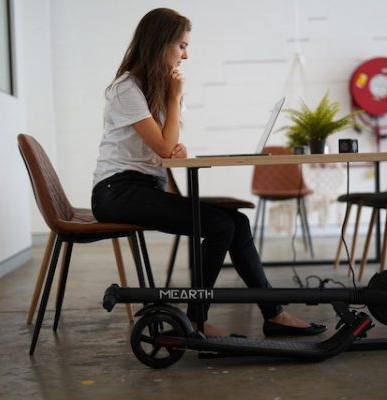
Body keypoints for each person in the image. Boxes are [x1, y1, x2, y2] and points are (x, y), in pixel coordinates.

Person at [91, 8, 325, 338]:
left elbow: (166, 146)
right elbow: (161, 146)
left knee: (236, 223)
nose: (186, 54)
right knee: (217, 226)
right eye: (181, 46)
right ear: (160, 44)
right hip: (117, 192)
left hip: (144, 188)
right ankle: (197, 321)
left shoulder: (155, 90)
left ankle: (275, 314)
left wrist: (176, 149)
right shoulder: (127, 88)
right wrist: (175, 102)